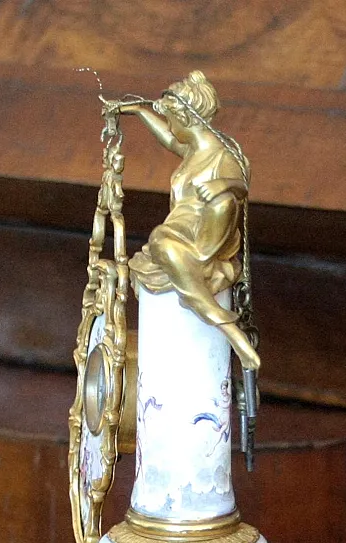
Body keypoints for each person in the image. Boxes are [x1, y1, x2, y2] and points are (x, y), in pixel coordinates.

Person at [118, 71, 260, 372]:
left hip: (201, 237)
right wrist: (140, 112)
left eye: (172, 120)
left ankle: (227, 328)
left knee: (160, 241)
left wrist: (224, 185)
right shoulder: (195, 150)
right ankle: (221, 320)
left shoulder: (222, 156)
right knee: (161, 244)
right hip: (178, 232)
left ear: (188, 118)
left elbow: (241, 187)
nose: (171, 128)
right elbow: (170, 140)